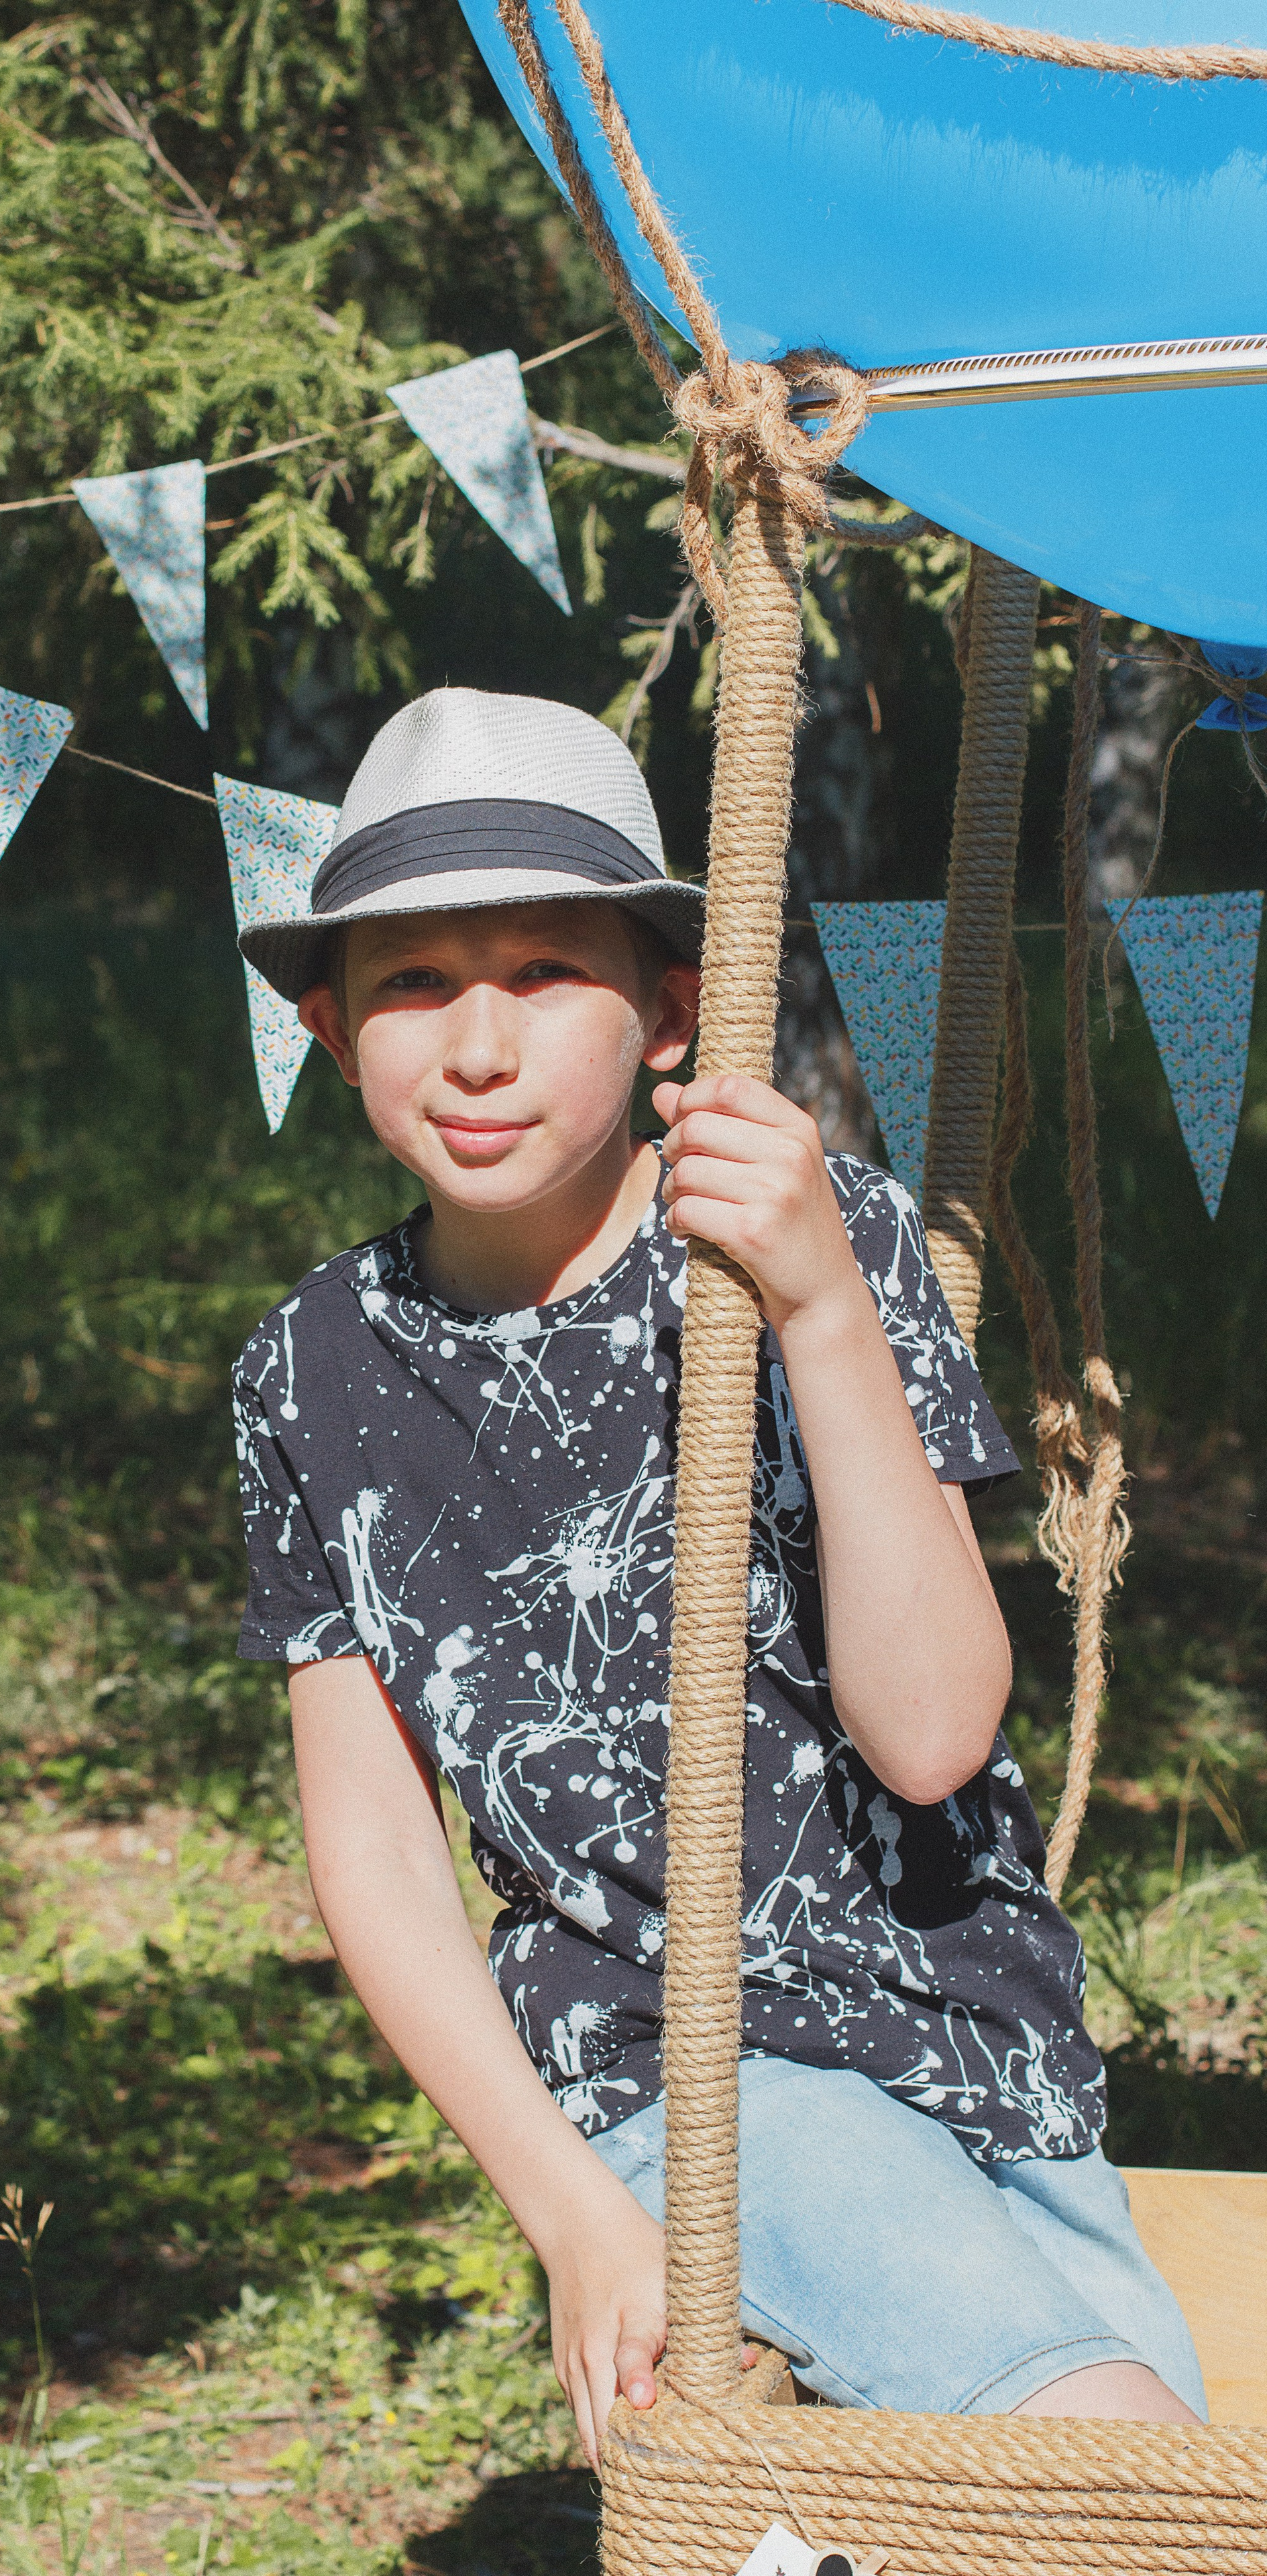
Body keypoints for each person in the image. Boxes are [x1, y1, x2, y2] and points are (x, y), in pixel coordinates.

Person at [229, 686, 1205, 2465]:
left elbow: (933, 1734)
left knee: (1130, 2486)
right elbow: (374, 1851)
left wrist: (819, 1309)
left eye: (544, 972)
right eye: (415, 983)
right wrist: (574, 2213)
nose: (479, 1046)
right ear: (329, 1029)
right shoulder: (318, 1371)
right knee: (1109, 2468)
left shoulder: (820, 1246)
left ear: (670, 1012)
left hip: (980, 2029)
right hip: (677, 2075)